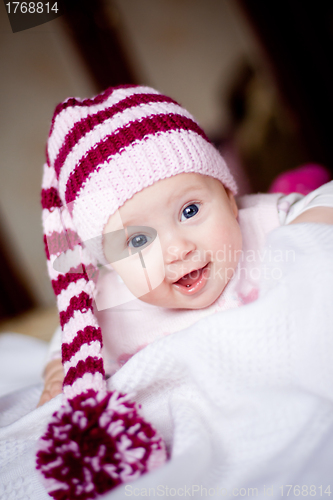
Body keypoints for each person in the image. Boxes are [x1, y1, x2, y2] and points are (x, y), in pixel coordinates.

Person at [39, 84, 333, 408]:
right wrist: (56, 370)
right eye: (138, 241)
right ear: (110, 262)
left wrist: (310, 223)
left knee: (304, 200)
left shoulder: (265, 226)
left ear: (229, 198)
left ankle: (296, 186)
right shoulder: (112, 306)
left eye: (189, 211)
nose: (177, 249)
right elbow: (73, 334)